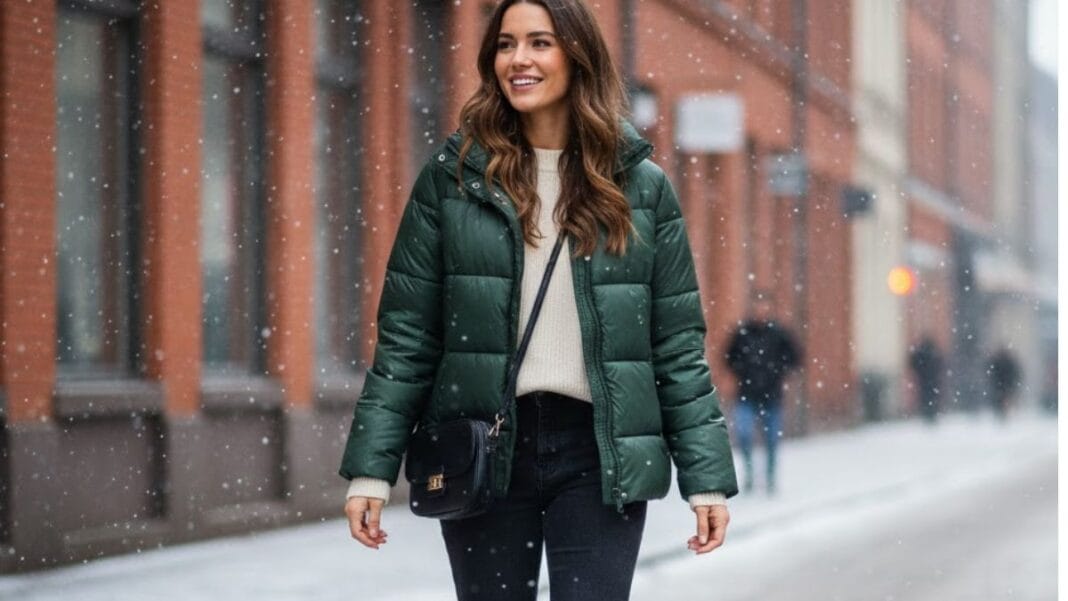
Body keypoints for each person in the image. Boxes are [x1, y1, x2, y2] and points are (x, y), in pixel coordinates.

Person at [338, 1, 739, 599]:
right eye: (505, 44)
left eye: (539, 43)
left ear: (578, 57)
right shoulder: (452, 180)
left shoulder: (640, 188)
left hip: (601, 451)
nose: (518, 59)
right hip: (484, 443)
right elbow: (408, 336)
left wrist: (705, 478)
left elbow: (676, 344)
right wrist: (370, 466)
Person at [724, 292, 802, 495]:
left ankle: (769, 477)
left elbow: (795, 357)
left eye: (764, 306)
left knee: (771, 440)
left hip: (772, 396)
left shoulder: (779, 334)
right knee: (743, 434)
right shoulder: (742, 333)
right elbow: (728, 357)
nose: (761, 311)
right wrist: (742, 370)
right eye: (758, 306)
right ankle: (749, 473)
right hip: (747, 394)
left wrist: (778, 371)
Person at [908, 336, 944, 424]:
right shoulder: (933, 354)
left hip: (924, 381)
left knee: (925, 397)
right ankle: (931, 414)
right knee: (932, 397)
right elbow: (940, 364)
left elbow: (913, 363)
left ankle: (928, 414)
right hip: (932, 381)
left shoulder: (922, 354)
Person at [986, 347, 1022, 421]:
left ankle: (1002, 414)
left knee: (1001, 399)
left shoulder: (1000, 362)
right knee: (1002, 399)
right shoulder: (1006, 362)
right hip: (1004, 385)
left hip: (1003, 385)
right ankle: (1002, 414)